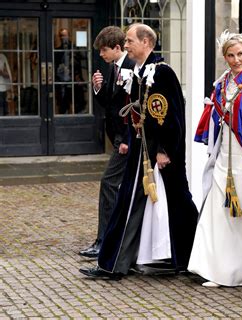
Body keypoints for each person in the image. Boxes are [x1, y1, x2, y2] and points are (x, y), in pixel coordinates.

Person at [79, 23, 198, 279]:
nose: (127, 44)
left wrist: (165, 150)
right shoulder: (137, 72)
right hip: (140, 148)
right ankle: (114, 263)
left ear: (146, 43)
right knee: (129, 203)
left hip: (160, 152)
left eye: (131, 40)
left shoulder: (162, 73)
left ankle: (192, 258)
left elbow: (172, 115)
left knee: (179, 203)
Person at [188, 31, 242, 287]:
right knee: (219, 211)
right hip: (225, 155)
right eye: (231, 55)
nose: (236, 60)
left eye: (240, 54)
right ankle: (218, 270)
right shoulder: (222, 84)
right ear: (225, 57)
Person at [78, 26, 135, 259]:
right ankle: (109, 239)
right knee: (115, 187)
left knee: (108, 184)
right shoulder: (113, 68)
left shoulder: (130, 68)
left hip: (126, 140)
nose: (101, 55)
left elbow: (131, 107)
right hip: (119, 139)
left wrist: (124, 139)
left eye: (104, 50)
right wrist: (98, 88)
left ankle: (105, 241)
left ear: (117, 48)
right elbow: (110, 105)